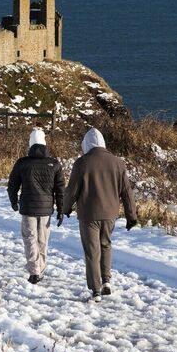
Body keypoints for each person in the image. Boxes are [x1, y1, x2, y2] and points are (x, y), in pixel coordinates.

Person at [62, 128, 139, 302]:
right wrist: (131, 215)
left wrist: (65, 208)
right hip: (110, 213)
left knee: (92, 251)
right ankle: (106, 281)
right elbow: (126, 192)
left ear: (86, 144)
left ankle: (95, 289)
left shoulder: (82, 163)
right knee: (106, 245)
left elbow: (72, 191)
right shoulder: (118, 163)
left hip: (89, 214)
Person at [7, 128, 66, 285]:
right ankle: (41, 268)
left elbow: (12, 184)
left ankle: (35, 271)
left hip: (28, 208)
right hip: (46, 209)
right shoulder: (54, 164)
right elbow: (60, 189)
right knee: (42, 240)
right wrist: (61, 210)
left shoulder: (22, 163)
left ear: (30, 144)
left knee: (29, 239)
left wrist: (13, 200)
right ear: (45, 144)